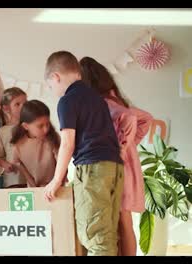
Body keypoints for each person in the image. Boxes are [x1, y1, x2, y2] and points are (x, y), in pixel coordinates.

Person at [43, 51, 124, 256]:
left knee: (95, 236)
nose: (54, 92)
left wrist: (56, 179)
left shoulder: (68, 100)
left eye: (51, 87)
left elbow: (67, 143)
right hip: (114, 167)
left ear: (55, 77)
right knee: (107, 235)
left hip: (93, 169)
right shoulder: (96, 98)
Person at [80, 56, 153, 256]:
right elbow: (145, 119)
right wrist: (130, 143)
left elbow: (132, 118)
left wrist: (123, 147)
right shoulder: (113, 100)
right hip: (122, 167)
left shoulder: (103, 103)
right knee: (120, 220)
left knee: (122, 219)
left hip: (118, 169)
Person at [10, 100, 60, 187]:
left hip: (55, 186)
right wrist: (32, 183)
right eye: (40, 126)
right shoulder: (18, 143)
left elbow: (61, 164)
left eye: (47, 124)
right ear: (25, 126)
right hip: (33, 188)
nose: (46, 129)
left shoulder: (53, 139)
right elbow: (18, 163)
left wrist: (56, 183)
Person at [0, 87, 28, 188]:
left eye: (25, 103)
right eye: (17, 104)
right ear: (6, 108)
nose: (23, 107)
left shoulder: (31, 127)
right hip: (12, 180)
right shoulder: (2, 131)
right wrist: (5, 164)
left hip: (33, 179)